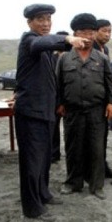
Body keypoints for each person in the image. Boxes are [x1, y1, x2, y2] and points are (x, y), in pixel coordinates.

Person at [14, 3, 88, 221]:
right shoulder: (29, 40)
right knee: (31, 162)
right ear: (30, 22)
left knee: (45, 159)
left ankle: (44, 194)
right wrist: (66, 39)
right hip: (30, 114)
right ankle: (32, 208)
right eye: (40, 19)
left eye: (48, 19)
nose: (45, 23)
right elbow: (42, 42)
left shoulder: (46, 52)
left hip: (46, 113)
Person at [57, 14, 112, 200]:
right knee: (73, 147)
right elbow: (58, 84)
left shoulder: (102, 58)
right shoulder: (65, 58)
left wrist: (111, 103)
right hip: (72, 111)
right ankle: (73, 182)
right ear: (75, 34)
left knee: (97, 149)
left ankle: (96, 185)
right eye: (83, 32)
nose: (88, 36)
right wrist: (59, 103)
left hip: (96, 111)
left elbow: (110, 84)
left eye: (91, 33)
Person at [92, 18, 112, 178]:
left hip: (105, 100)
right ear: (95, 31)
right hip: (93, 99)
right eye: (105, 30)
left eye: (110, 31)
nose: (108, 34)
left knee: (102, 137)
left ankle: (103, 166)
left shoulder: (106, 50)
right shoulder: (91, 49)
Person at [51, 30, 69, 164]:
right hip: (54, 98)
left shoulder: (71, 57)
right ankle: (54, 153)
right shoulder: (52, 57)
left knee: (70, 130)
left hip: (69, 98)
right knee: (54, 128)